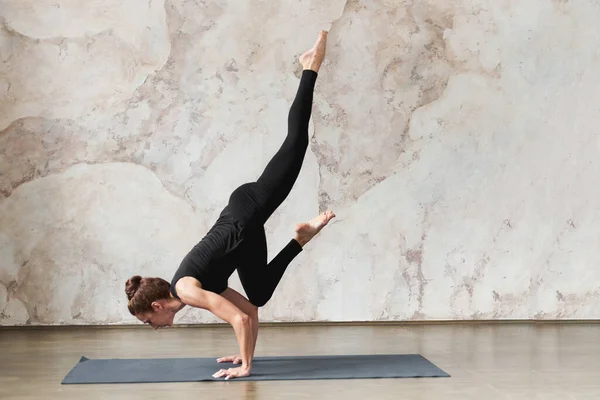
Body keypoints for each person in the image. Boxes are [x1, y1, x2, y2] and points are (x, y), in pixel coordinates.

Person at [124, 31, 334, 380]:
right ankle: (301, 238)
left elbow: (236, 320)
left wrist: (247, 368)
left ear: (157, 306)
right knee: (260, 295)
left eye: (149, 321)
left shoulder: (189, 291)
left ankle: (309, 67)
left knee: (296, 142)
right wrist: (242, 355)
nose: (153, 326)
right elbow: (248, 313)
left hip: (247, 211)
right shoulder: (198, 285)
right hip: (244, 230)